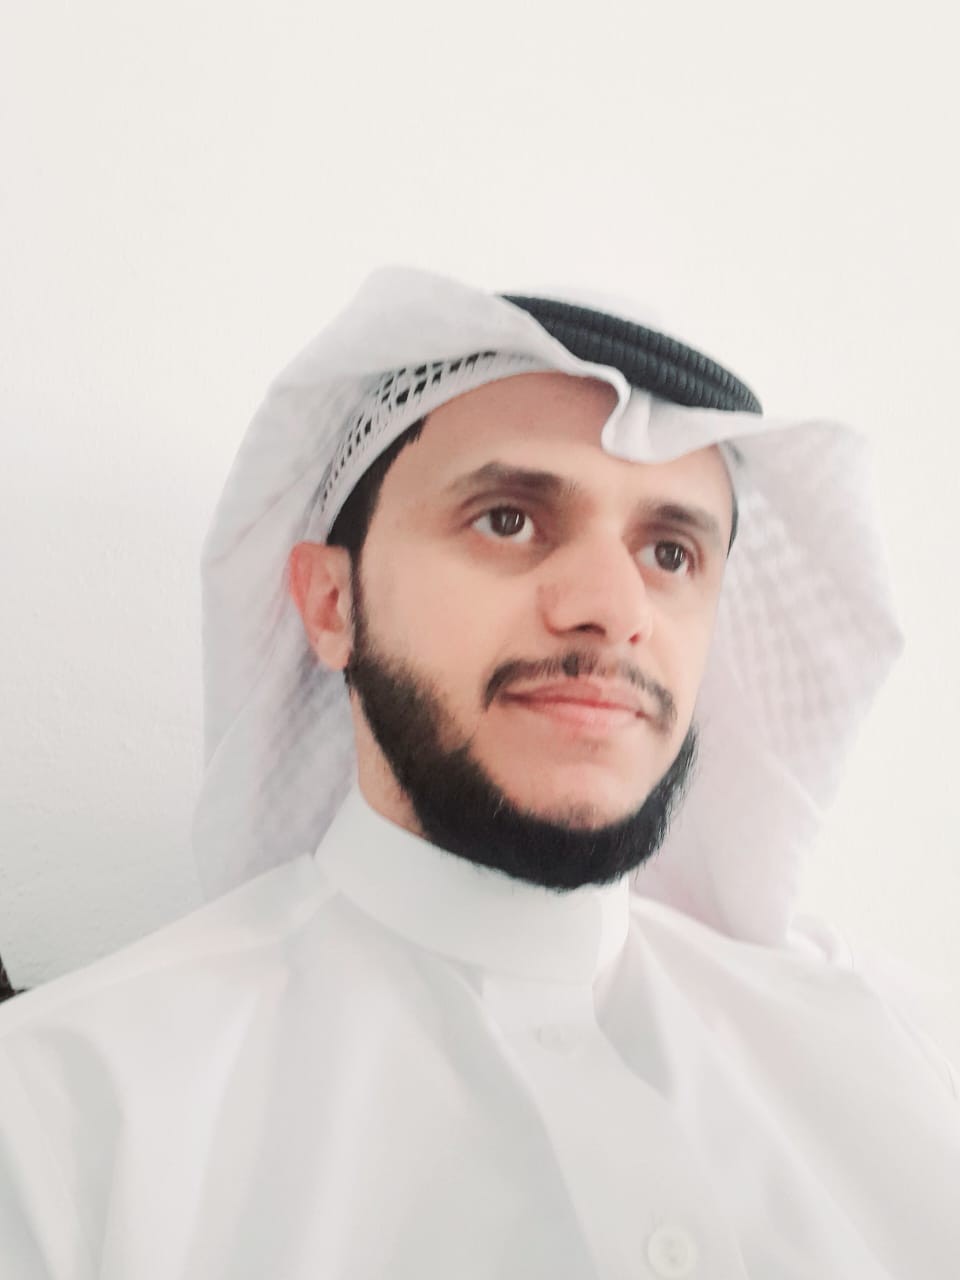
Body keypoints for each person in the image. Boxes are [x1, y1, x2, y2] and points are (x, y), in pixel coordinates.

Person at [1, 267, 957, 1279]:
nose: (612, 608)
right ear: (330, 604)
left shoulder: (904, 1056)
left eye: (671, 553)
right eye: (508, 519)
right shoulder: (63, 1114)